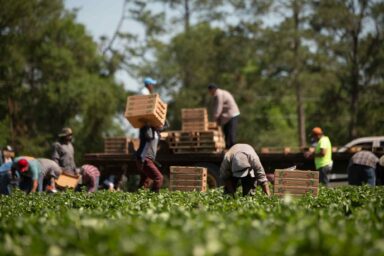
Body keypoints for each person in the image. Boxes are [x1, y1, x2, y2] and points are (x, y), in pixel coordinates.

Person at [208, 83, 240, 149]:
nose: (210, 93)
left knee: (231, 133)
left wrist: (215, 118)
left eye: (210, 91)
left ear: (212, 90)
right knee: (226, 132)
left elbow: (219, 107)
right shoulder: (217, 94)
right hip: (227, 116)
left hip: (232, 114)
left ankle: (233, 149)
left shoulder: (219, 94)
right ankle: (228, 148)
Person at [136, 124, 164, 193]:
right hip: (145, 158)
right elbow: (148, 136)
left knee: (145, 182)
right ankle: (153, 197)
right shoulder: (148, 129)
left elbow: (165, 125)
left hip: (149, 159)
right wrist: (149, 123)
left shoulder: (157, 133)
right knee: (159, 178)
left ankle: (140, 198)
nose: (161, 125)